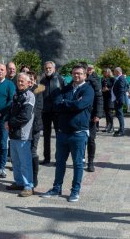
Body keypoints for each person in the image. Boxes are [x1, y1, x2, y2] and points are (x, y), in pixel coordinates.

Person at [42, 65, 94, 203]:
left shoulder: (88, 90)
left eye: (79, 74)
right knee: (60, 162)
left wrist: (67, 103)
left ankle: (75, 191)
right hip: (62, 132)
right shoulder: (65, 89)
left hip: (79, 133)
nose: (76, 76)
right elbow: (57, 104)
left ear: (85, 75)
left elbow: (80, 105)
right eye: (74, 73)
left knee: (77, 164)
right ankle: (56, 188)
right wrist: (71, 103)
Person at [5, 73, 36, 197]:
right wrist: (7, 121)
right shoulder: (16, 95)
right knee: (16, 161)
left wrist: (10, 123)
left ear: (29, 83)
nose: (20, 83)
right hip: (14, 134)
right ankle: (19, 182)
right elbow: (11, 111)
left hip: (23, 134)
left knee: (25, 162)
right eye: (18, 81)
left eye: (23, 81)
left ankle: (28, 186)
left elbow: (25, 116)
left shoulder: (29, 96)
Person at [39, 61, 65, 165]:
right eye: (46, 68)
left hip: (57, 112)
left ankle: (59, 158)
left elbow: (65, 93)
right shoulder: (42, 80)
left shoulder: (60, 79)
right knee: (46, 136)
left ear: (54, 69)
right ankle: (47, 158)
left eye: (50, 68)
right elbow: (38, 94)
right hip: (45, 112)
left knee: (59, 136)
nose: (48, 70)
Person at [85, 64, 104, 171]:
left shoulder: (95, 80)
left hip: (91, 115)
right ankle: (81, 159)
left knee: (91, 139)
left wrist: (98, 114)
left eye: (90, 69)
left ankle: (90, 162)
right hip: (80, 116)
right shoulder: (75, 83)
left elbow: (99, 98)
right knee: (80, 140)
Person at [111, 67, 128, 137]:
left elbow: (121, 90)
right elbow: (126, 86)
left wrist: (118, 99)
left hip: (119, 100)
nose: (113, 73)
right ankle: (121, 129)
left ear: (117, 72)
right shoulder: (120, 78)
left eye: (114, 71)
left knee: (120, 115)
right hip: (118, 99)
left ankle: (122, 131)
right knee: (118, 115)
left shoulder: (121, 78)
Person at [100, 68, 115, 132]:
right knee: (106, 112)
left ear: (109, 72)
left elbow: (114, 87)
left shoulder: (112, 79)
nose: (104, 73)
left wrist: (108, 89)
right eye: (104, 72)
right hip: (104, 97)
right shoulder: (103, 79)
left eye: (106, 72)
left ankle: (111, 126)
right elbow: (101, 86)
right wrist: (102, 89)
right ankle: (107, 126)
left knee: (109, 113)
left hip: (110, 97)